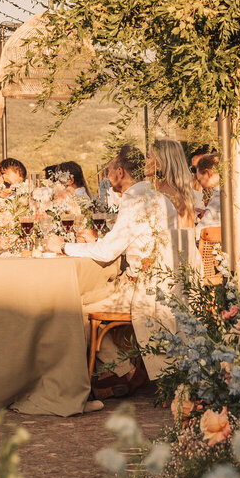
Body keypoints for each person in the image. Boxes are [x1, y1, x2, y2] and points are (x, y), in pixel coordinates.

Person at [45, 144, 178, 374]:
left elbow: (108, 252)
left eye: (108, 171)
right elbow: (127, 241)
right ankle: (111, 371)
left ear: (120, 172)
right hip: (166, 286)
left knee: (73, 308)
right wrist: (95, 242)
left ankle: (123, 371)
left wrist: (64, 247)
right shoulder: (158, 198)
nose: (107, 177)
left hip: (143, 291)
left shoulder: (135, 201)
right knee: (83, 299)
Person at [196, 154, 240, 227]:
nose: (201, 186)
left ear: (208, 173)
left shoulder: (220, 197)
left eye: (200, 181)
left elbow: (199, 231)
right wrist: (207, 213)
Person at [148, 139, 193, 230]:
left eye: (148, 157)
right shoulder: (178, 192)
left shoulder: (166, 195)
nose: (145, 161)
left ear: (160, 162)